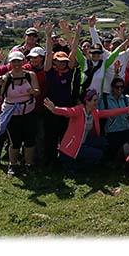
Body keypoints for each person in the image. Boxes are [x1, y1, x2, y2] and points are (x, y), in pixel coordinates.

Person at [42, 89, 129, 172]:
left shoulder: (94, 112)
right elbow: (68, 111)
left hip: (84, 143)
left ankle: (83, 161)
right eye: (94, 100)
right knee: (98, 154)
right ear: (87, 101)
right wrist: (55, 109)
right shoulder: (78, 110)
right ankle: (71, 167)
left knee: (103, 142)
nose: (97, 102)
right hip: (72, 148)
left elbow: (110, 112)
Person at [0, 50, 40, 176]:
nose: (17, 64)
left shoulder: (30, 75)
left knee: (30, 140)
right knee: (14, 141)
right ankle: (12, 164)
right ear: (10, 63)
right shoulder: (5, 78)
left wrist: (32, 91)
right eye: (14, 61)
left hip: (28, 112)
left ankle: (29, 164)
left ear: (23, 61)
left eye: (19, 61)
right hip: (11, 115)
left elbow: (37, 91)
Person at [41, 22, 81, 169]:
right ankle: (49, 160)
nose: (62, 64)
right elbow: (48, 53)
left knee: (64, 134)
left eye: (64, 62)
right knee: (50, 136)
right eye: (59, 61)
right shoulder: (49, 71)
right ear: (54, 61)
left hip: (65, 108)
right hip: (50, 108)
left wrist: (76, 34)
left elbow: (74, 50)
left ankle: (63, 159)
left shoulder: (69, 71)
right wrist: (47, 36)